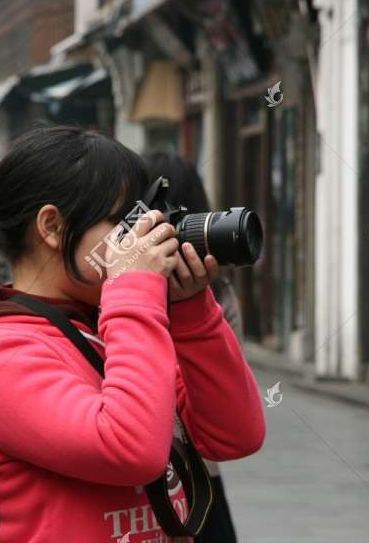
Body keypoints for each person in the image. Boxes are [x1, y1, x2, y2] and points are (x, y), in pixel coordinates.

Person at [0, 123, 266, 541]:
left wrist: (192, 313)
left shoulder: (109, 326)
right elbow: (132, 452)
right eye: (125, 220)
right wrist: (133, 292)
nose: (145, 233)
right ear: (52, 227)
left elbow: (236, 436)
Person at [142, 148, 243, 543]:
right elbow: (226, 386)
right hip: (201, 474)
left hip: (168, 478)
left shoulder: (205, 294)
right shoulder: (220, 289)